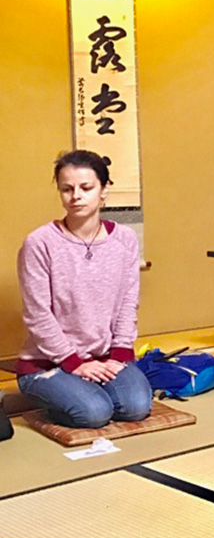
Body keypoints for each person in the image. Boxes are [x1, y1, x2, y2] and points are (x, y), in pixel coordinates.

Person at [15, 150, 152, 428]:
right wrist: (74, 363)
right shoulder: (39, 243)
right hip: (48, 364)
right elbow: (37, 315)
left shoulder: (124, 239)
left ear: (104, 190)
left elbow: (128, 301)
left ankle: (87, 391)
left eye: (86, 187)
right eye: (67, 189)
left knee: (136, 407)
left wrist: (120, 355)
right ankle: (66, 396)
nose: (76, 195)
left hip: (105, 358)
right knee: (94, 414)